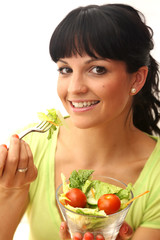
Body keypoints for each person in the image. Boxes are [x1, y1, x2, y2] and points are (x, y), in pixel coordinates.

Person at [0, 3, 160, 240]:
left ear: (137, 78)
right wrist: (9, 190)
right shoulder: (31, 148)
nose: (74, 88)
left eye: (97, 69)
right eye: (65, 70)